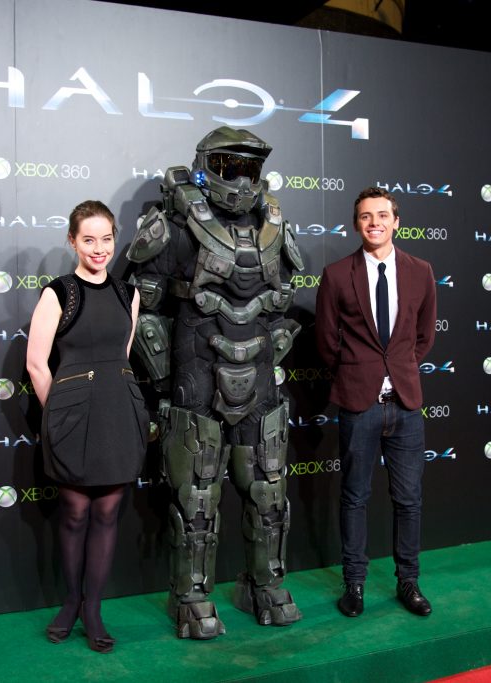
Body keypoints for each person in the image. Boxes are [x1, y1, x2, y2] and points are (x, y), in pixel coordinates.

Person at [127, 126, 304, 639]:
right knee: (197, 497)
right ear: (205, 166)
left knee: (269, 492)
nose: (241, 180)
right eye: (229, 167)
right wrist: (164, 383)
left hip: (261, 379)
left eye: (249, 168)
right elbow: (144, 310)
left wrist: (273, 352)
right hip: (196, 376)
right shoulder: (173, 226)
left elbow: (283, 302)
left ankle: (265, 584)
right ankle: (191, 596)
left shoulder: (272, 225)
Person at [26, 200, 148, 653]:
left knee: (107, 513)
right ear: (73, 241)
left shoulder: (128, 293)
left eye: (107, 239)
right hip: (71, 416)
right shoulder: (58, 293)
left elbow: (124, 354)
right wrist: (58, 415)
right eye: (89, 239)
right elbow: (37, 364)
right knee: (75, 512)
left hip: (118, 412)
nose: (100, 249)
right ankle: (71, 602)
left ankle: (93, 609)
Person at [314, 187, 437, 619]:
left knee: (409, 499)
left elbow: (424, 336)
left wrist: (398, 368)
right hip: (358, 403)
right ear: (356, 224)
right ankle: (354, 584)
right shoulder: (336, 275)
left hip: (405, 402)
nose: (374, 223)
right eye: (366, 216)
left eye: (382, 215)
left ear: (396, 222)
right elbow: (325, 341)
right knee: (354, 497)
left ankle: (409, 582)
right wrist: (357, 372)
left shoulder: (421, 271)